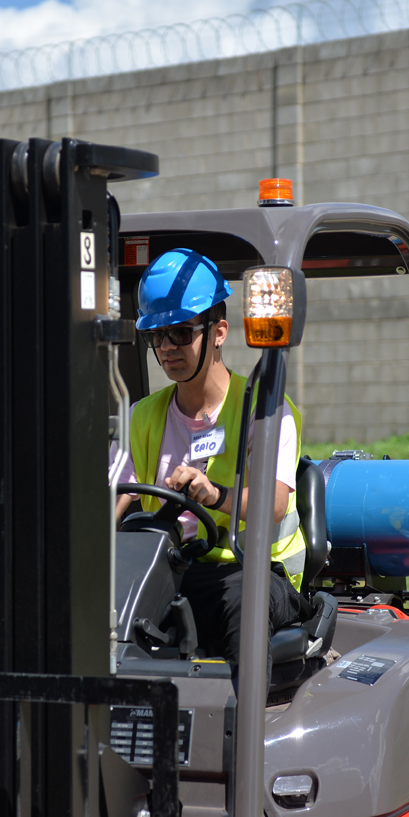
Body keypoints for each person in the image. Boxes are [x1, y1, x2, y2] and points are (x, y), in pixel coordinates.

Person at [112, 248, 306, 686]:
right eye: (156, 336)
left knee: (241, 603)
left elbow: (274, 504)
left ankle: (240, 738)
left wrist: (213, 494)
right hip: (169, 566)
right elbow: (116, 492)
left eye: (180, 333)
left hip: (253, 570)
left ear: (219, 332)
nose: (166, 349)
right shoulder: (142, 415)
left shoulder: (267, 411)